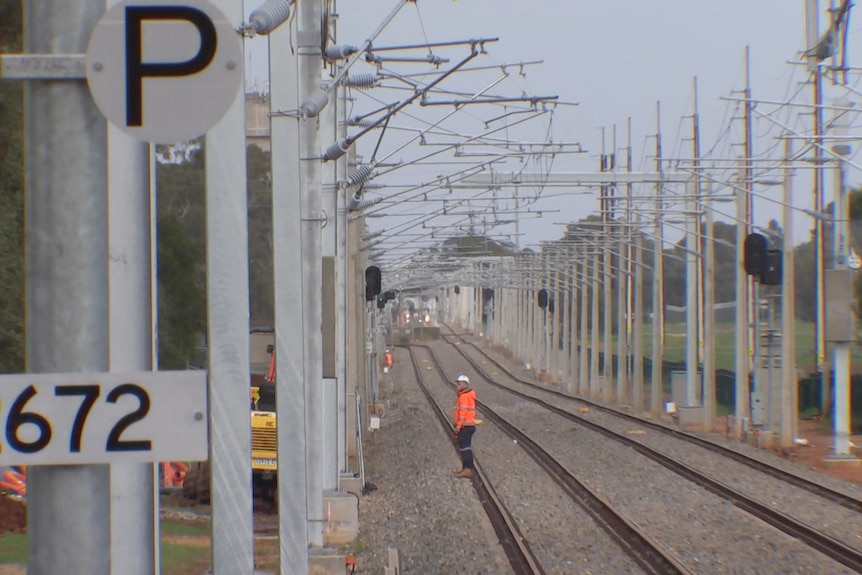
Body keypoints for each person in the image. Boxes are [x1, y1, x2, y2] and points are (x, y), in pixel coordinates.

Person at [452, 374, 476, 478]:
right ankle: (467, 468)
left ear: (465, 384)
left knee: (465, 447)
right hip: (468, 425)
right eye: (457, 383)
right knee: (465, 446)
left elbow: (463, 412)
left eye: (459, 383)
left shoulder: (464, 397)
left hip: (466, 425)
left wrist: (459, 425)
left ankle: (468, 469)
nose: (457, 384)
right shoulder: (466, 395)